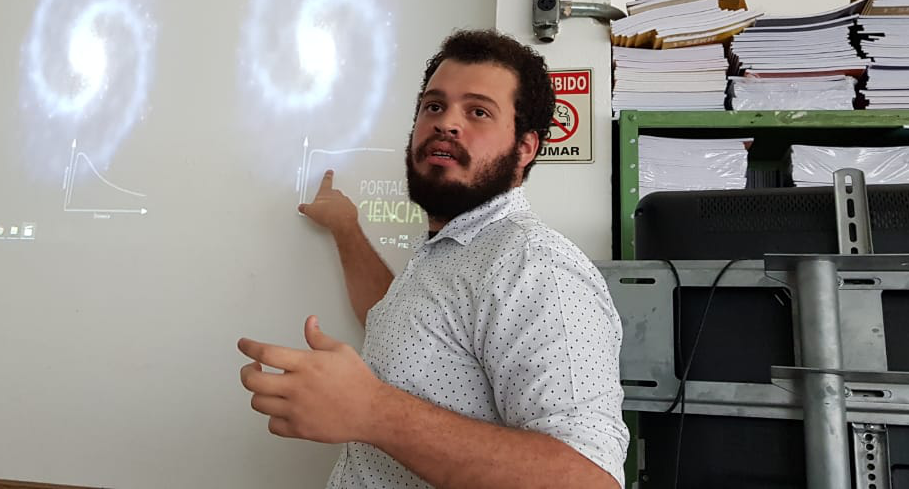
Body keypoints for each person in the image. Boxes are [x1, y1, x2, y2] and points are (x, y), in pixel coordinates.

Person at [237, 29, 628, 488]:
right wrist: (346, 228)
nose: (446, 123)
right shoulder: (454, 249)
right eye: (434, 106)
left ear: (525, 147)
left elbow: (589, 480)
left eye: (478, 111)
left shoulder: (533, 266)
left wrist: (372, 412)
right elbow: (405, 323)